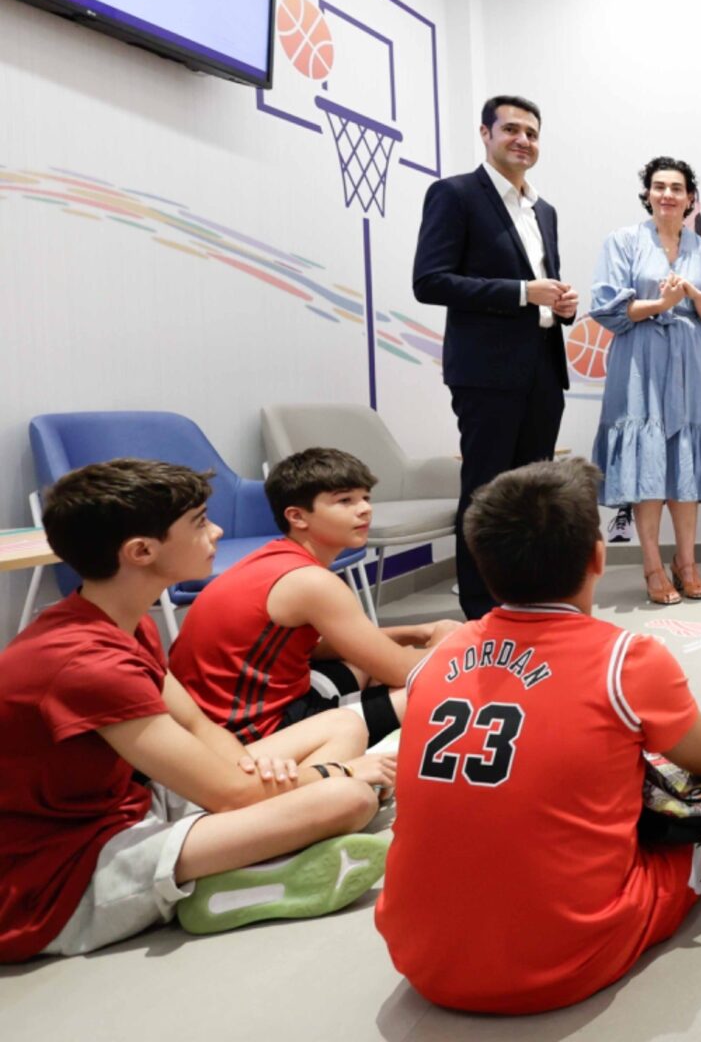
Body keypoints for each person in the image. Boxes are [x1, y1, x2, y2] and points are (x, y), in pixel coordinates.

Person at [375, 460, 701, 1014]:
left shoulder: (438, 658)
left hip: (420, 958)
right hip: (565, 960)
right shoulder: (626, 659)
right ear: (598, 558)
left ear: (482, 564)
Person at [0, 460, 392, 962]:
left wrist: (262, 775)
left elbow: (197, 726)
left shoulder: (121, 621)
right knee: (347, 797)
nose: (218, 531)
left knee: (340, 723)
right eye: (200, 523)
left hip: (125, 806)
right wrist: (337, 773)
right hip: (63, 870)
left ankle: (250, 860)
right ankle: (237, 873)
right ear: (141, 551)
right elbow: (228, 794)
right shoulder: (87, 664)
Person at [168, 449, 463, 746]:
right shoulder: (312, 582)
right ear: (297, 516)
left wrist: (416, 631)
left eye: (365, 498)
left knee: (372, 661)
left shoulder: (276, 558)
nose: (364, 509)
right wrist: (445, 642)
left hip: (220, 717)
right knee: (439, 684)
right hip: (251, 733)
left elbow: (317, 647)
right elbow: (404, 671)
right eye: (345, 500)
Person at [414, 95, 576, 619]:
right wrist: (521, 293)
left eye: (532, 133)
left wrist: (561, 305)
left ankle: (530, 600)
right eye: (511, 129)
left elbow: (541, 285)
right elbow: (430, 281)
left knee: (536, 494)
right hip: (486, 372)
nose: (522, 140)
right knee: (486, 491)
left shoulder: (544, 210)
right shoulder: (455, 194)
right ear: (485, 134)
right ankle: (482, 608)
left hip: (544, 369)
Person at [589, 157, 701, 606]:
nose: (668, 195)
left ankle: (687, 562)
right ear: (648, 193)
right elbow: (609, 310)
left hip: (692, 364)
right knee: (648, 462)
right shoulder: (622, 241)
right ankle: (653, 566)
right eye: (659, 186)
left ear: (690, 197)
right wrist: (660, 304)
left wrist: (691, 294)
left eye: (677, 188)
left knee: (685, 461)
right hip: (639, 361)